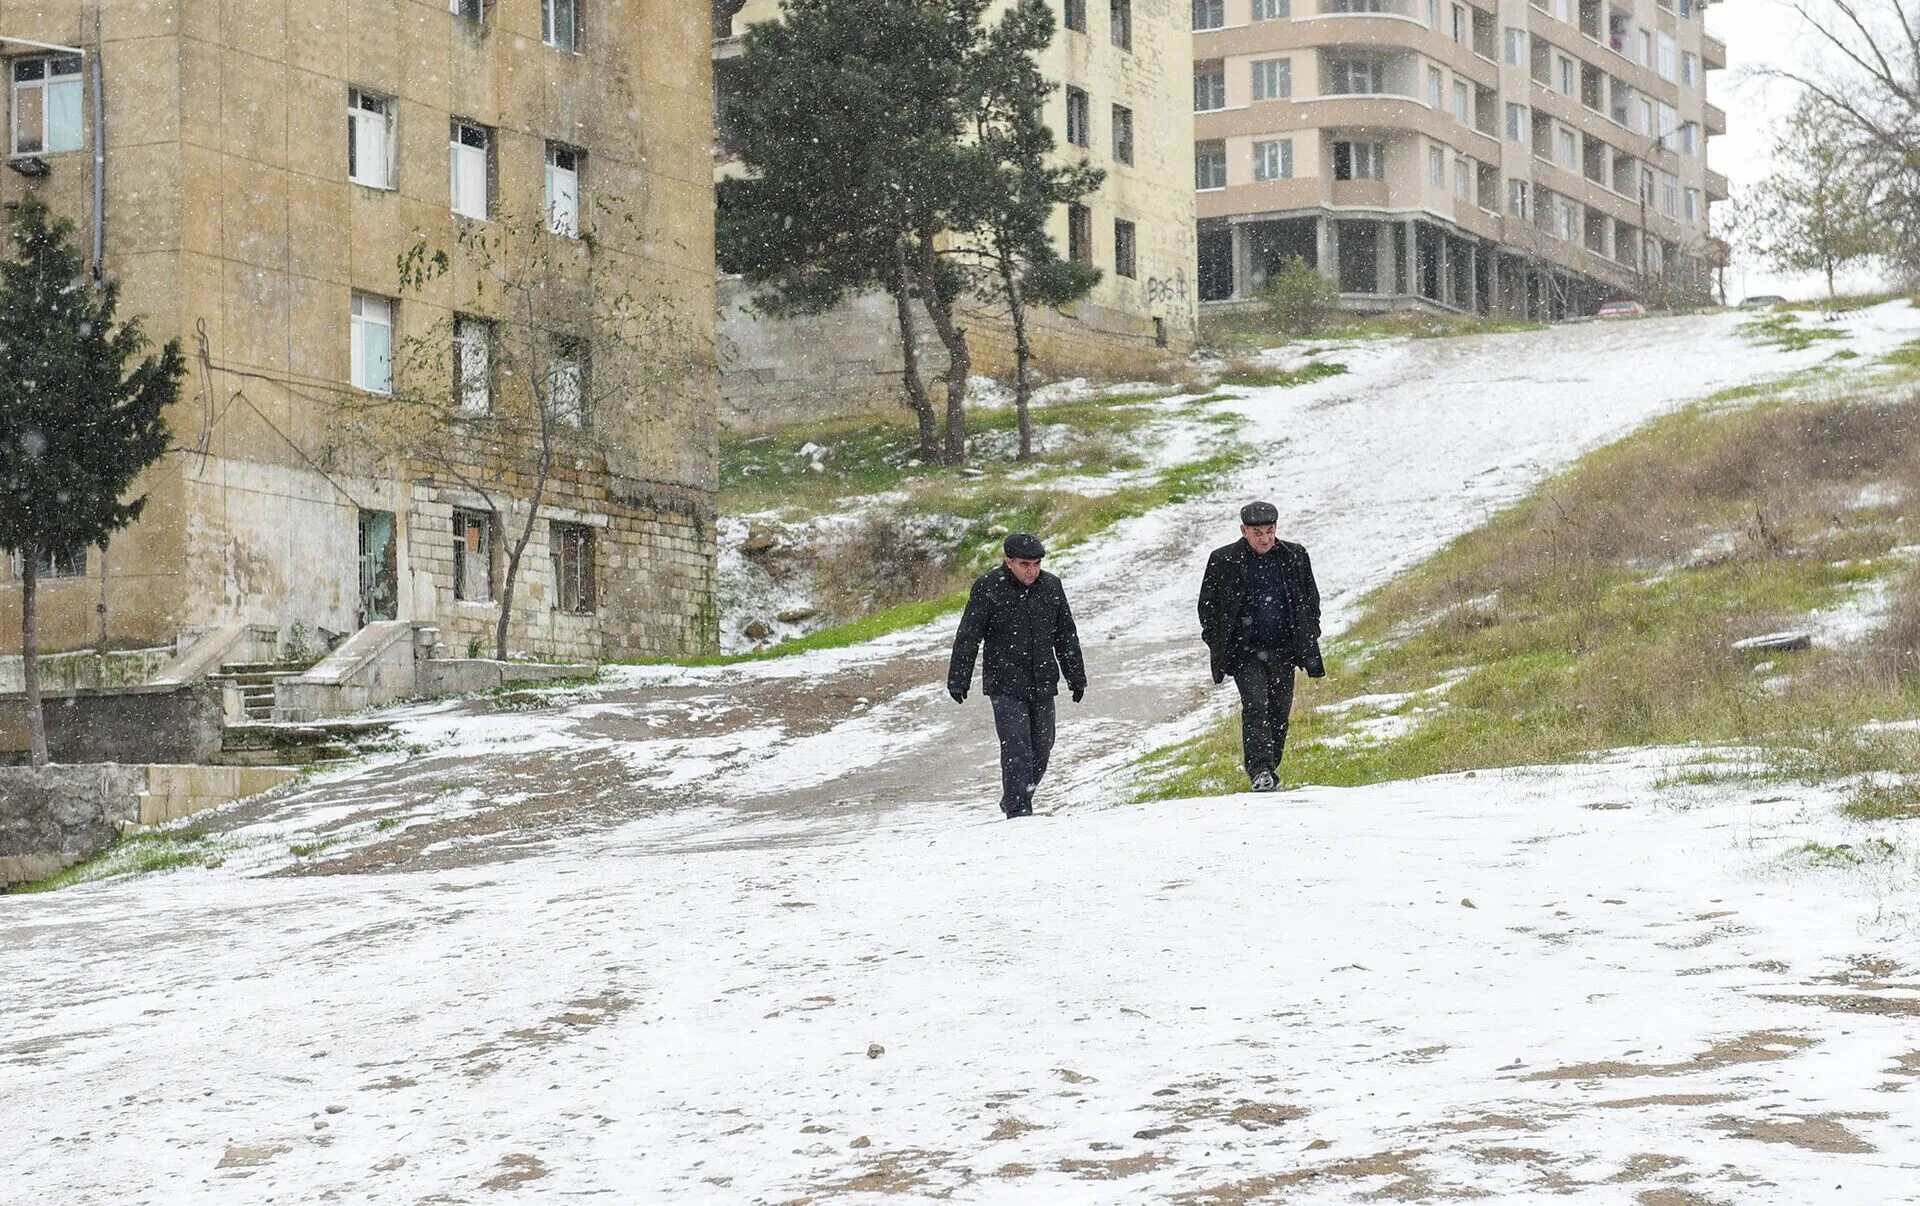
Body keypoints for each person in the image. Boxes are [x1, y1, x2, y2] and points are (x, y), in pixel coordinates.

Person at [948, 533, 1087, 819]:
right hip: (1005, 683)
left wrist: (1076, 676)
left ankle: (1016, 796)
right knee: (1017, 748)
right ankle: (1018, 811)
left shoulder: (1051, 587)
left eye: (1036, 564)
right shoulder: (989, 587)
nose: (1031, 571)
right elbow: (969, 635)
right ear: (1008, 562)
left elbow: (1065, 636)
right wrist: (958, 678)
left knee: (1042, 747)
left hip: (1043, 681)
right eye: (1024, 564)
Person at [1197, 501, 1325, 793]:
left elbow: (1310, 600)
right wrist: (1217, 642)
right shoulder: (1223, 560)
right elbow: (1208, 607)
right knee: (1256, 706)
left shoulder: (1294, 556)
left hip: (1283, 651)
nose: (1265, 538)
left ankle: (1269, 767)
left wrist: (1309, 632)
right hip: (1245, 653)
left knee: (1279, 712)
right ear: (1244, 531)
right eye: (1257, 532)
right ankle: (1260, 770)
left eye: (1269, 531)